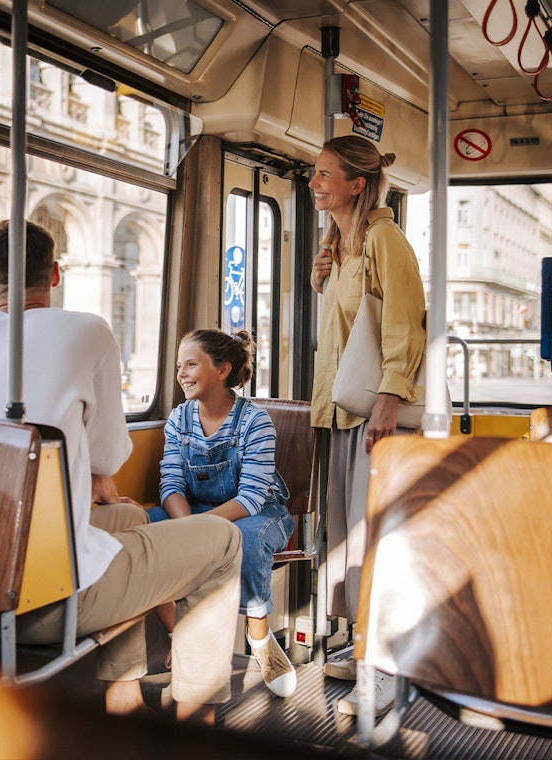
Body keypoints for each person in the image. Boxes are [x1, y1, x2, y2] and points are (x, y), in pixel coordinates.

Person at [0, 219, 243, 723]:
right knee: (222, 540)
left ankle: (121, 695)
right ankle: (196, 722)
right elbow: (107, 457)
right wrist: (96, 473)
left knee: (133, 521)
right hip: (39, 599)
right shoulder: (89, 330)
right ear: (55, 274)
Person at [308, 135, 426, 718]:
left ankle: (381, 668)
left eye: (326, 174)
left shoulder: (386, 241)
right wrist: (320, 281)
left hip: (374, 416)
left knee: (375, 541)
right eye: (313, 174)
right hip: (339, 413)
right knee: (346, 541)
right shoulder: (340, 247)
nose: (315, 183)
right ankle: (361, 648)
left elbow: (405, 327)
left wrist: (388, 401)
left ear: (357, 184)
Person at [145, 329, 297, 698]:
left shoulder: (254, 421)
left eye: (191, 364)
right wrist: (188, 525)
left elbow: (251, 497)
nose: (181, 373)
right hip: (195, 510)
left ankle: (259, 635)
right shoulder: (179, 418)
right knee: (145, 528)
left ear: (223, 369)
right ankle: (179, 633)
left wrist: (200, 527)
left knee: (243, 538)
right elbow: (171, 485)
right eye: (179, 366)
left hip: (258, 512)